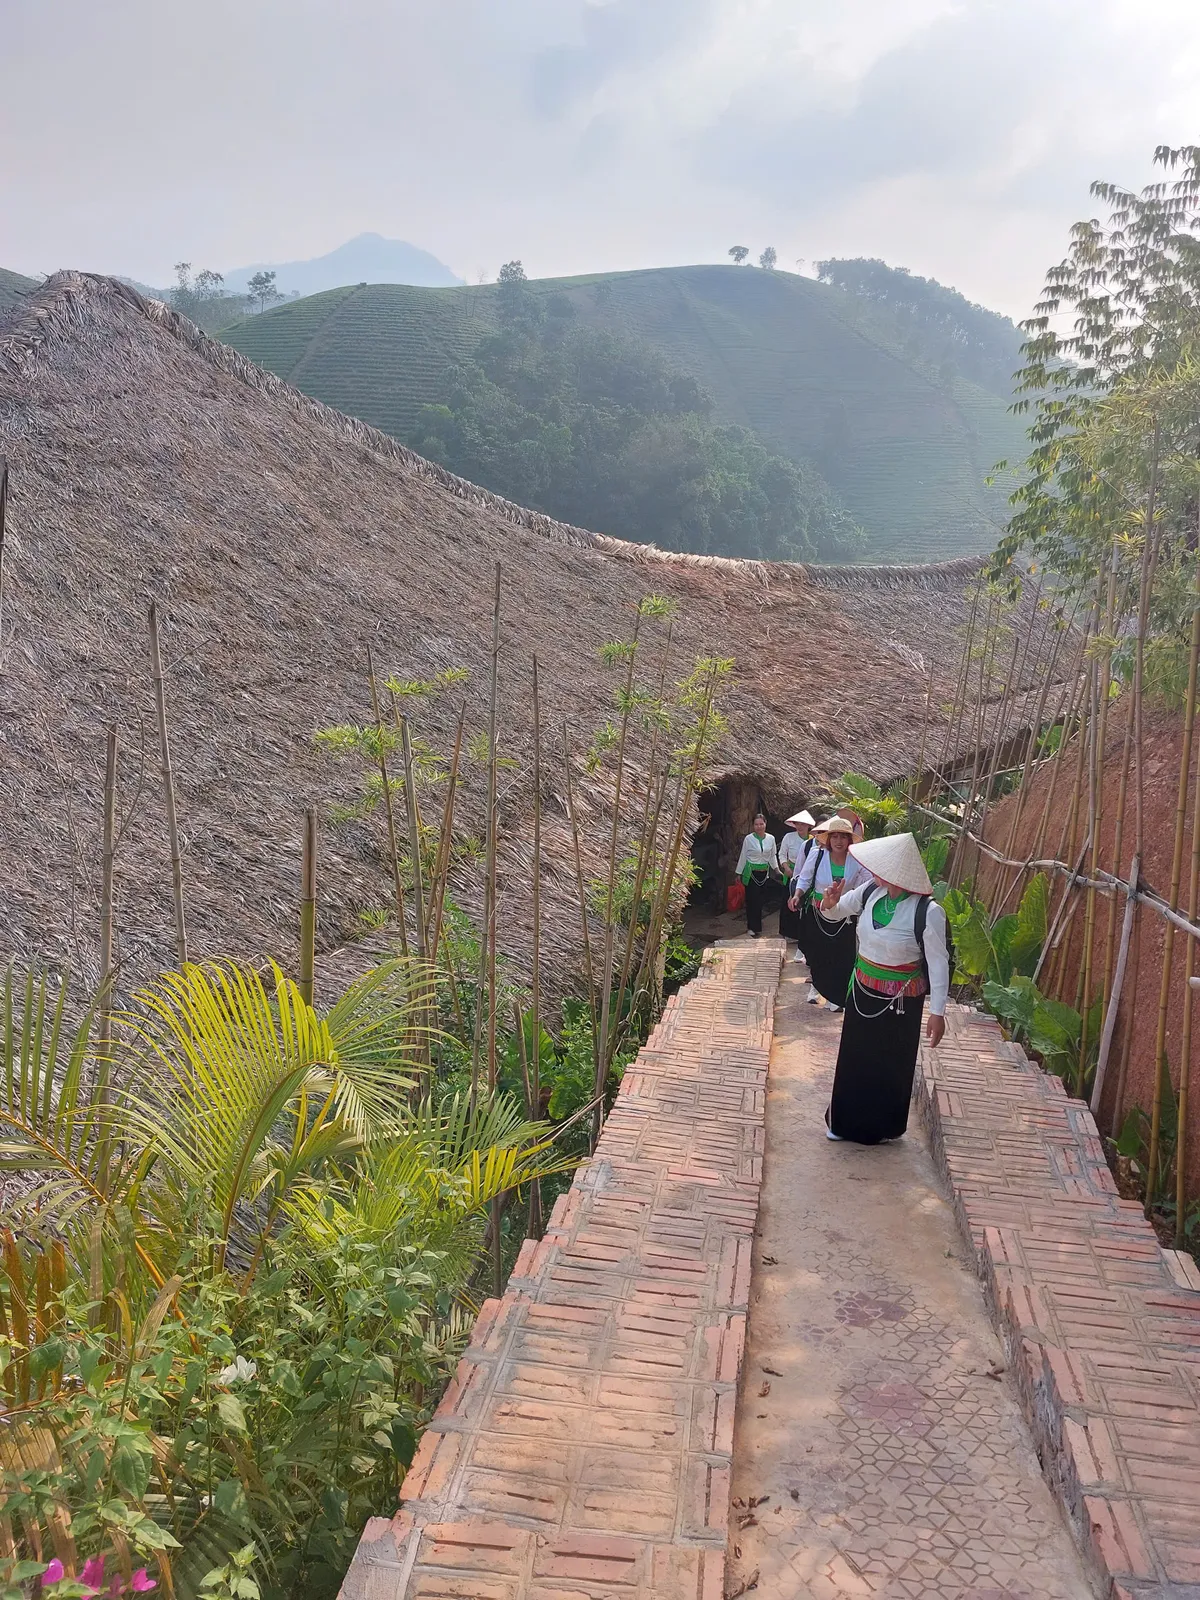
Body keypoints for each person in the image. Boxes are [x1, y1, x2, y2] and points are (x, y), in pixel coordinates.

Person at [818, 832, 949, 1145]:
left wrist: (938, 1012)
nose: (874, 871)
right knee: (855, 1057)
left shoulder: (927, 913)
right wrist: (829, 902)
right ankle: (844, 1123)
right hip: (863, 989)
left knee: (889, 1062)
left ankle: (882, 1127)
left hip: (902, 1001)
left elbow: (939, 963)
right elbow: (836, 912)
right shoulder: (870, 892)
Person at [788, 816, 873, 1010]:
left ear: (849, 839)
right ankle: (816, 989)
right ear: (828, 839)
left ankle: (836, 996)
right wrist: (797, 894)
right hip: (819, 912)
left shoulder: (857, 859)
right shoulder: (817, 855)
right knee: (819, 953)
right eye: (834, 837)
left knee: (843, 955)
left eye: (843, 837)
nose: (838, 841)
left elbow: (868, 882)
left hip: (845, 914)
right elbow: (805, 877)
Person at [778, 810, 816, 962]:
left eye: (802, 824)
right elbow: (782, 854)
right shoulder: (789, 837)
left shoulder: (812, 841)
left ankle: (800, 937)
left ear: (808, 826)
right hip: (792, 873)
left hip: (809, 875)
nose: (799, 826)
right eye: (797, 824)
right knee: (788, 903)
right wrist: (786, 868)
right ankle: (787, 933)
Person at [734, 812, 780, 938]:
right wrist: (738, 873)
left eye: (761, 824)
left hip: (764, 874)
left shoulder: (771, 838)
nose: (759, 826)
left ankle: (758, 926)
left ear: (765, 824)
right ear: (753, 826)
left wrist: (776, 869)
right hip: (751, 873)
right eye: (756, 824)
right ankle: (751, 927)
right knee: (752, 900)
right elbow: (743, 856)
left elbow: (772, 856)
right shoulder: (749, 839)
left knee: (760, 901)